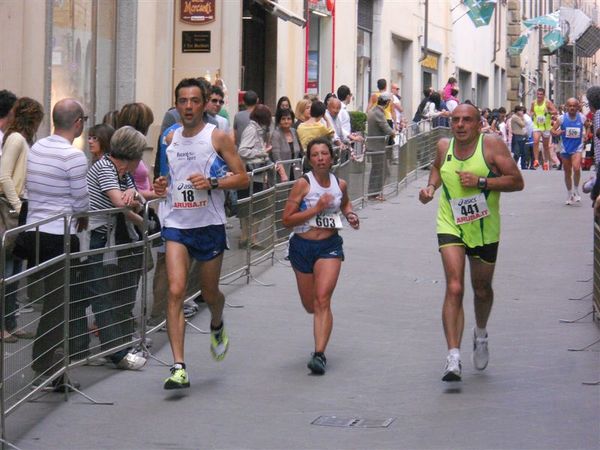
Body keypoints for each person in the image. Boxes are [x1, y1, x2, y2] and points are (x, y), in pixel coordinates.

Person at [153, 78, 249, 390]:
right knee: (176, 290)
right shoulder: (169, 137)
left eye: (195, 100)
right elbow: (163, 179)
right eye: (183, 101)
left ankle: (217, 322)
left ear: (204, 103)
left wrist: (213, 183)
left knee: (210, 293)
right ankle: (178, 365)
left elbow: (243, 178)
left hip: (208, 224)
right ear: (176, 104)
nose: (189, 106)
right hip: (176, 224)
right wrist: (160, 187)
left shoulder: (218, 137)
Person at [418, 103, 524, 382]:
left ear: (479, 124)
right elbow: (438, 168)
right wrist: (430, 188)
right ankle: (453, 356)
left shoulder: (492, 147)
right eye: (456, 120)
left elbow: (517, 181)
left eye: (467, 120)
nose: (460, 125)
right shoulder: (444, 146)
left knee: (482, 289)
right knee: (454, 286)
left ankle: (480, 333)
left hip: (484, 228)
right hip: (450, 222)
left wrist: (481, 182)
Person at [19, 98, 90, 391]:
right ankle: (46, 363)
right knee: (58, 304)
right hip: (60, 234)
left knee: (50, 302)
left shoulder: (37, 148)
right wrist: (81, 218)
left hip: (35, 232)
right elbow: (81, 201)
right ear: (77, 123)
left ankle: (49, 363)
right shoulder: (73, 157)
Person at [281, 137, 359, 375]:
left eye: (324, 154)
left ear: (332, 158)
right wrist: (315, 208)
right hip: (302, 247)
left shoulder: (340, 184)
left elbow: (345, 204)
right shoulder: (303, 185)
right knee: (310, 305)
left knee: (322, 299)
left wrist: (351, 215)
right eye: (315, 155)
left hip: (329, 246)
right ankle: (320, 324)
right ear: (309, 160)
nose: (320, 158)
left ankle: (319, 354)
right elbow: (286, 220)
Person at [85, 126, 148, 370]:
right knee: (101, 296)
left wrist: (133, 195)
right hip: (95, 238)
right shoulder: (104, 168)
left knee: (110, 294)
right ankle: (116, 353)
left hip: (109, 238)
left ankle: (117, 347)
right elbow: (120, 202)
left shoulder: (121, 173)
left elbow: (137, 200)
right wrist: (132, 199)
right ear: (131, 155)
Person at [0, 97, 44, 342]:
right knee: (7, 270)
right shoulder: (17, 139)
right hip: (12, 207)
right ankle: (4, 324)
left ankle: (11, 322)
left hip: (18, 206)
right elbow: (4, 175)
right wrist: (17, 205)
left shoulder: (20, 139)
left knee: (15, 269)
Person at [552, 98, 585, 205]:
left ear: (578, 107)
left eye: (574, 106)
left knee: (576, 168)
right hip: (565, 147)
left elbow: (589, 126)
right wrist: (556, 133)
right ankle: (569, 193)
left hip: (577, 147)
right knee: (567, 171)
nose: (572, 108)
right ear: (566, 107)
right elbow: (552, 130)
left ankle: (576, 190)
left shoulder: (582, 117)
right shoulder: (562, 118)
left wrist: (586, 135)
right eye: (570, 106)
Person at [366, 93, 395, 200]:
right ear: (387, 102)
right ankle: (375, 193)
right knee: (382, 171)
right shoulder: (378, 113)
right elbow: (386, 128)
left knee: (377, 170)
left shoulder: (373, 110)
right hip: (377, 146)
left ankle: (373, 193)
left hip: (374, 146)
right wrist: (393, 132)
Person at [271, 108, 302, 183]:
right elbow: (276, 157)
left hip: (296, 172)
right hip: (282, 175)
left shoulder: (294, 131)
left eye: (289, 119)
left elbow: (299, 152)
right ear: (279, 121)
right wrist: (283, 174)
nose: (286, 121)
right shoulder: (276, 134)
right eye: (283, 119)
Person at [530, 88, 557, 170]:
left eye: (541, 94)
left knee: (545, 146)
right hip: (537, 125)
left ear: (544, 95)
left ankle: (545, 162)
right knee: (535, 141)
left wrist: (548, 112)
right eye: (538, 94)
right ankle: (536, 160)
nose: (539, 96)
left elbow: (555, 111)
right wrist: (532, 114)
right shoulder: (533, 103)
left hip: (546, 127)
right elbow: (531, 111)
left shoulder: (547, 102)